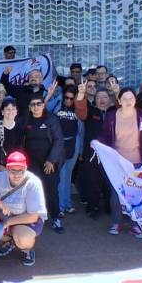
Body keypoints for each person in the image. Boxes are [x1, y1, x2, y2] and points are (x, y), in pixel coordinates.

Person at [97, 88, 142, 238]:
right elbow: (105, 136)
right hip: (117, 163)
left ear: (135, 100)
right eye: (125, 98)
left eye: (131, 98)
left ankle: (135, 225)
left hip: (138, 163)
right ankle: (116, 222)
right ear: (119, 101)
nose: (128, 101)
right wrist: (97, 142)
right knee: (116, 193)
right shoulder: (112, 116)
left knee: (136, 194)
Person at [0, 152, 47, 266]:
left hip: (25, 219)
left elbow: (33, 216)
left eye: (21, 171)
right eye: (13, 171)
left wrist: (7, 223)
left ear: (26, 169)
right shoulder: (0, 178)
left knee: (24, 238)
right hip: (4, 215)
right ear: (7, 169)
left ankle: (26, 249)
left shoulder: (33, 182)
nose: (17, 175)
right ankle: (10, 240)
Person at [23, 95, 64, 233]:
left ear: (43, 105)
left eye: (38, 104)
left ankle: (55, 218)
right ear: (29, 107)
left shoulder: (51, 119)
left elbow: (58, 140)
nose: (36, 107)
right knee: (33, 190)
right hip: (32, 162)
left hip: (49, 162)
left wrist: (51, 160)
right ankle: (35, 218)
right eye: (33, 104)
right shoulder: (26, 119)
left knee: (51, 190)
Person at [73, 84, 115, 219]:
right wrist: (81, 94)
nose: (102, 100)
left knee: (110, 181)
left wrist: (117, 92)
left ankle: (111, 206)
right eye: (99, 97)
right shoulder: (91, 111)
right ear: (95, 100)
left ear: (110, 99)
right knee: (92, 181)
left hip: (112, 154)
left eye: (105, 97)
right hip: (92, 153)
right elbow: (80, 110)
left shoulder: (115, 112)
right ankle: (93, 207)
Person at [54, 85, 83, 216]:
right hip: (59, 144)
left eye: (72, 98)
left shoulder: (78, 109)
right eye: (66, 97)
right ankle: (60, 207)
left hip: (73, 143)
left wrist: (80, 150)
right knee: (61, 176)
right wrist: (58, 98)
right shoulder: (57, 106)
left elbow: (81, 131)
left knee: (68, 176)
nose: (69, 101)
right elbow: (46, 108)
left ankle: (67, 204)